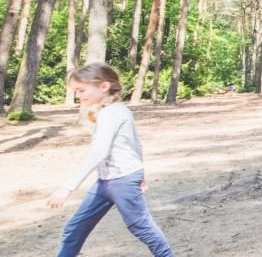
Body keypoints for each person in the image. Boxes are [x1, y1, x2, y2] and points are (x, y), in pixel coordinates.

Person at [47, 62, 173, 257]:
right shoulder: (110, 111)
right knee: (75, 228)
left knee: (140, 226)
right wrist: (141, 171)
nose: (78, 96)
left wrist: (67, 188)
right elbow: (136, 144)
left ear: (103, 86)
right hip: (105, 181)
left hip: (122, 180)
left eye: (81, 90)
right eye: (76, 92)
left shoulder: (112, 113)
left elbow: (99, 153)